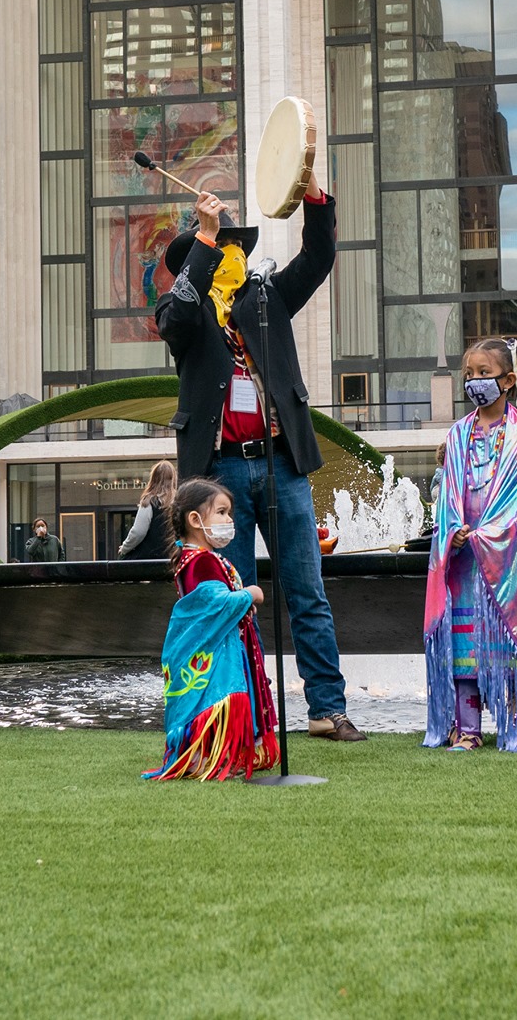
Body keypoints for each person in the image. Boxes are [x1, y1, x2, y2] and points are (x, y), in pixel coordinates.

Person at [155, 178, 363, 742]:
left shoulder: (265, 300)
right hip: (219, 472)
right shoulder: (183, 311)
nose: (232, 256)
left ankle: (326, 708)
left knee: (307, 592)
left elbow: (318, 258)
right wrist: (203, 237)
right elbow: (174, 319)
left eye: (233, 248)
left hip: (281, 464)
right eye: (221, 248)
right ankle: (243, 711)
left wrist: (316, 199)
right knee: (233, 596)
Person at [426, 338, 517, 752]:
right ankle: (468, 730)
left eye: (484, 374)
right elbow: (448, 491)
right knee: (465, 651)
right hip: (465, 561)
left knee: (512, 647)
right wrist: (453, 529)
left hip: (510, 560)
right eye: (470, 374)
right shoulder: (457, 433)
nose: (475, 382)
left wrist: (491, 533)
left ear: (509, 380)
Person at [143, 478, 278, 781]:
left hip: (218, 647)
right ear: (194, 519)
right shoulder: (202, 561)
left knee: (207, 700)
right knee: (212, 699)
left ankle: (218, 755)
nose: (229, 520)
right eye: (221, 512)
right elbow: (213, 604)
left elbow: (214, 603)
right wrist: (250, 594)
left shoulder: (199, 558)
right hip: (214, 654)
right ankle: (206, 758)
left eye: (229, 513)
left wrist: (239, 603)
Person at [118, 460, 178, 560]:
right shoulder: (180, 502)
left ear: (153, 478)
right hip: (172, 557)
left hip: (148, 558)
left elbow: (138, 532)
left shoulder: (150, 501)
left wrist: (124, 548)